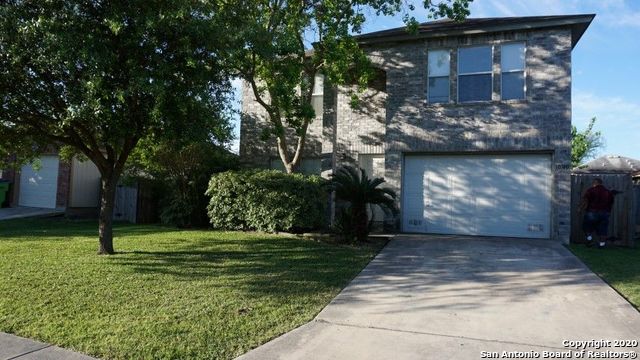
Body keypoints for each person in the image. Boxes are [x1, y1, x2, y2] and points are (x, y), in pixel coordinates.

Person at [581, 178, 614, 248]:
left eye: (593, 183)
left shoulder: (590, 190)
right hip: (604, 213)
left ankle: (589, 240)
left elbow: (585, 200)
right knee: (603, 229)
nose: (592, 184)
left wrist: (581, 208)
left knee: (587, 227)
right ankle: (602, 245)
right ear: (601, 183)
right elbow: (611, 203)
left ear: (595, 183)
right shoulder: (608, 192)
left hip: (592, 212)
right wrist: (608, 212)